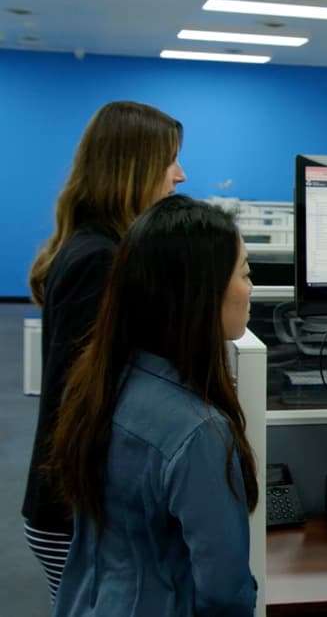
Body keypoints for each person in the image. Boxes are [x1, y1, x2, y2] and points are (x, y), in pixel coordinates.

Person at [48, 195, 258, 616]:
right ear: (200, 292)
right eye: (246, 273)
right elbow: (225, 593)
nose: (251, 288)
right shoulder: (199, 432)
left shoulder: (104, 381)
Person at [22, 101, 185, 600]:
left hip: (76, 504)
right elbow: (85, 400)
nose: (180, 175)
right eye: (170, 160)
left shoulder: (100, 247)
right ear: (133, 167)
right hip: (75, 510)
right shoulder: (100, 260)